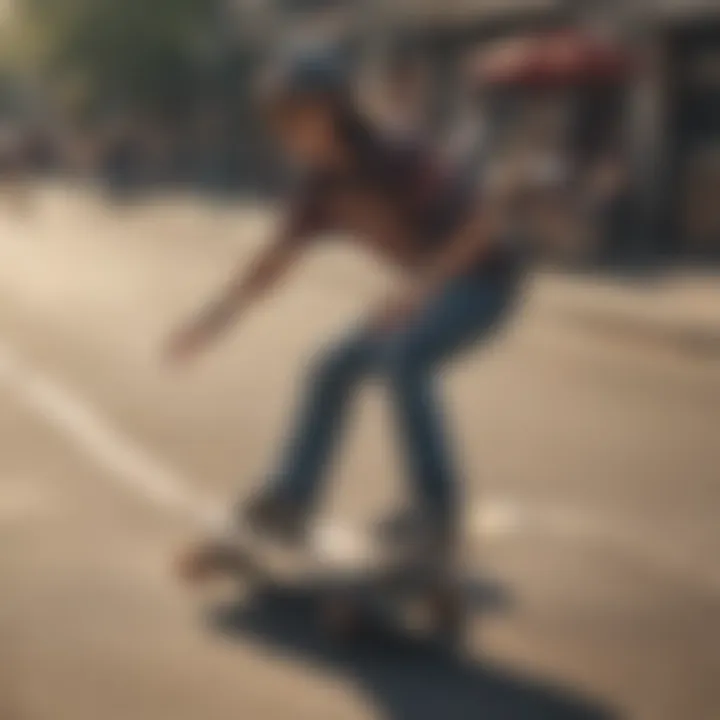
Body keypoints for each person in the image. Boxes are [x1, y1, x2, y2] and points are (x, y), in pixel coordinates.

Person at [167, 52, 525, 557]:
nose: (286, 133)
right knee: (330, 363)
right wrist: (211, 322)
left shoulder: (396, 156)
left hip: (485, 285)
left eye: (295, 117)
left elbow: (481, 225)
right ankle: (290, 500)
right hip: (428, 291)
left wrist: (418, 287)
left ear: (332, 109)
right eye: (279, 121)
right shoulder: (320, 186)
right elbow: (273, 262)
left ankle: (436, 511)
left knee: (404, 354)